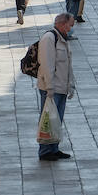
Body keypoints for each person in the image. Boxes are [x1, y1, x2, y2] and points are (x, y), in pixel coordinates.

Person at [36, 13, 76, 161]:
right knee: (47, 118)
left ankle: (54, 148)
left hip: (62, 87)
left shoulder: (62, 39)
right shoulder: (49, 39)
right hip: (52, 88)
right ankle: (45, 150)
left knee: (56, 120)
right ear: (62, 24)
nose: (71, 29)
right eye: (70, 25)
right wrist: (50, 88)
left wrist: (71, 84)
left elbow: (67, 65)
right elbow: (47, 64)